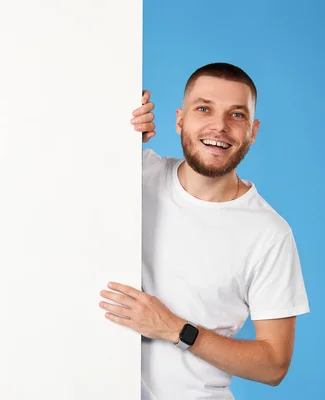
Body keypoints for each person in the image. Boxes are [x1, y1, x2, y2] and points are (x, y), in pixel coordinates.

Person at [99, 62, 310, 399]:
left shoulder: (269, 234)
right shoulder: (135, 175)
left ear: (253, 131)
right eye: (204, 109)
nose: (220, 127)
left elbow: (274, 365)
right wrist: (113, 133)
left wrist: (175, 329)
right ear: (180, 119)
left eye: (236, 115)